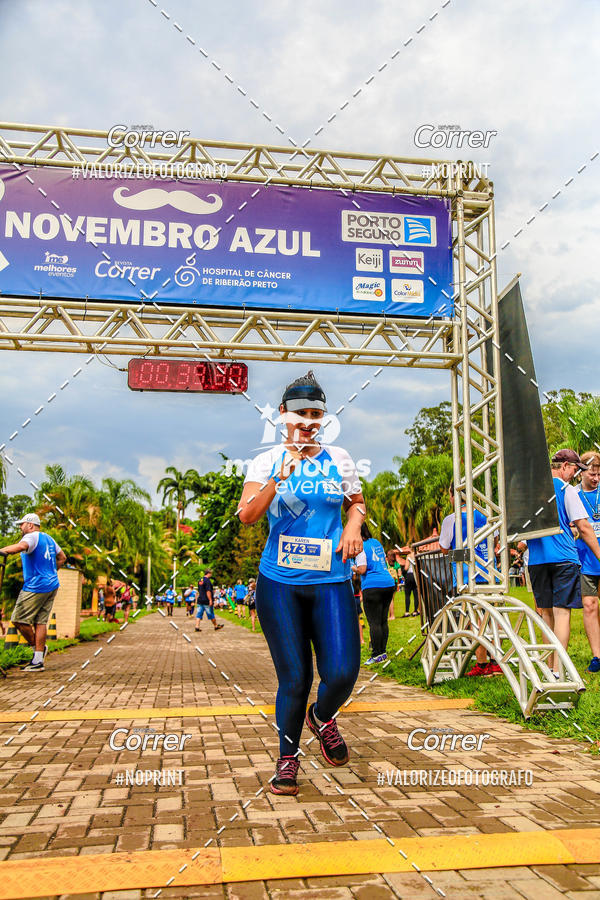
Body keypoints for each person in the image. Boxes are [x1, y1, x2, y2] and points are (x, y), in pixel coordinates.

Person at [238, 370, 365, 796]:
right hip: (280, 583)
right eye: (301, 413)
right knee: (295, 679)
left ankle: (322, 716)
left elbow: (356, 504)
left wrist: (354, 527)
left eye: (316, 414)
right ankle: (287, 759)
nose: (309, 421)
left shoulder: (340, 458)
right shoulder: (265, 461)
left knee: (343, 673)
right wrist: (279, 477)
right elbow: (247, 515)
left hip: (331, 579)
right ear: (283, 414)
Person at [528, 449, 600, 677]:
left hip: (537, 560)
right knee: (561, 614)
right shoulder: (566, 490)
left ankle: (549, 668)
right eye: (575, 470)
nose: (574, 475)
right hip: (564, 559)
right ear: (565, 466)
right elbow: (584, 527)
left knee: (546, 614)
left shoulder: (532, 490)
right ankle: (559, 670)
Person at [439, 484, 502, 677]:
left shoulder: (451, 520)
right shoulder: (486, 515)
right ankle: (497, 661)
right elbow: (495, 542)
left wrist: (465, 555)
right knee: (493, 617)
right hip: (490, 573)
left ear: (454, 496)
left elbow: (444, 549)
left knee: (474, 621)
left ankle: (482, 663)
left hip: (466, 577)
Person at [0, 513, 66, 672]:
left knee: (18, 619)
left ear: (30, 525)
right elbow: (62, 557)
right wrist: (51, 572)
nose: (20, 527)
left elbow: (20, 547)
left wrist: (2, 550)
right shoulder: (49, 538)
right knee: (40, 621)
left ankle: (37, 648)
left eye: (22, 524)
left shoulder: (31, 536)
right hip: (52, 584)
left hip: (35, 586)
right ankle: (38, 660)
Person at [353, 524, 395, 664]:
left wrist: (353, 568)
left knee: (374, 622)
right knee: (383, 621)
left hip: (372, 586)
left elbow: (362, 569)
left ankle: (376, 654)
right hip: (388, 583)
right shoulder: (376, 542)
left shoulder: (360, 546)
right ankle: (383, 653)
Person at [574, 451, 600, 673]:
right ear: (581, 472)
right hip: (585, 560)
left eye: (599, 474)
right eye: (592, 473)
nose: (596, 478)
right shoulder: (572, 494)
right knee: (590, 605)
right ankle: (597, 656)